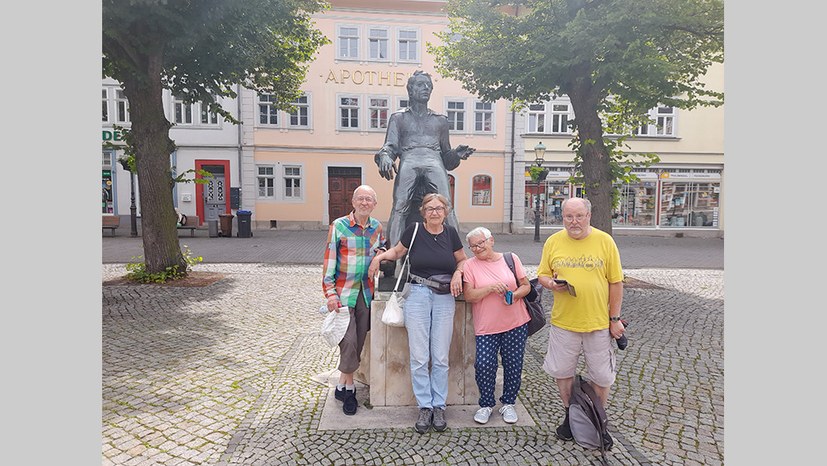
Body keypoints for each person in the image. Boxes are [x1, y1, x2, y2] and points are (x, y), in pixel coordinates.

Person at [368, 193, 466, 434]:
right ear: (423, 211)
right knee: (420, 356)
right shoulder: (413, 230)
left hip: (444, 297)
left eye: (439, 208)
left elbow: (462, 260)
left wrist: (457, 273)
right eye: (430, 208)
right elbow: (397, 252)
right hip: (418, 295)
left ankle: (439, 406)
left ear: (446, 211)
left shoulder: (451, 233)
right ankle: (425, 406)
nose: (435, 212)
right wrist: (379, 258)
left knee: (440, 356)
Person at [536, 197, 625, 449]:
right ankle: (570, 416)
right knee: (562, 373)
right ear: (562, 217)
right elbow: (542, 274)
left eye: (578, 216)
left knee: (601, 376)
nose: (573, 222)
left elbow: (616, 282)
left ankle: (597, 420)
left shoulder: (604, 241)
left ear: (588, 215)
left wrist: (615, 319)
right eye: (568, 217)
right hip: (564, 322)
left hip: (597, 323)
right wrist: (552, 284)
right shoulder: (554, 241)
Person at [374, 70, 475, 253]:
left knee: (447, 206)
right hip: (409, 158)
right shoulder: (399, 118)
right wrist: (384, 156)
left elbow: (447, 159)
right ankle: (392, 257)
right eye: (421, 85)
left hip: (434, 159)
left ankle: (456, 256)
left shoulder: (440, 120)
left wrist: (455, 155)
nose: (426, 88)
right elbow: (389, 146)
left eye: (428, 85)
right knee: (399, 206)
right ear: (410, 90)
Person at [322, 185, 387, 416]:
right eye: (360, 198)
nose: (364, 203)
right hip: (343, 291)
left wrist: (378, 257)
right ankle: (349, 390)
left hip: (366, 292)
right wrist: (330, 293)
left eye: (369, 199)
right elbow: (329, 261)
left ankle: (342, 384)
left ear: (374, 204)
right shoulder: (339, 226)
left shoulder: (376, 227)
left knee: (359, 338)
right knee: (348, 339)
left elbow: (383, 247)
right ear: (353, 201)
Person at [461, 227, 531, 425]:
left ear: (491, 240)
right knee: (484, 364)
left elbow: (526, 286)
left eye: (480, 243)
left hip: (515, 322)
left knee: (513, 364)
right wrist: (490, 288)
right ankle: (486, 404)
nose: (477, 248)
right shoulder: (470, 265)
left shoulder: (510, 258)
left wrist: (515, 295)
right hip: (486, 325)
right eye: (473, 246)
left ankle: (508, 403)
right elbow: (469, 296)